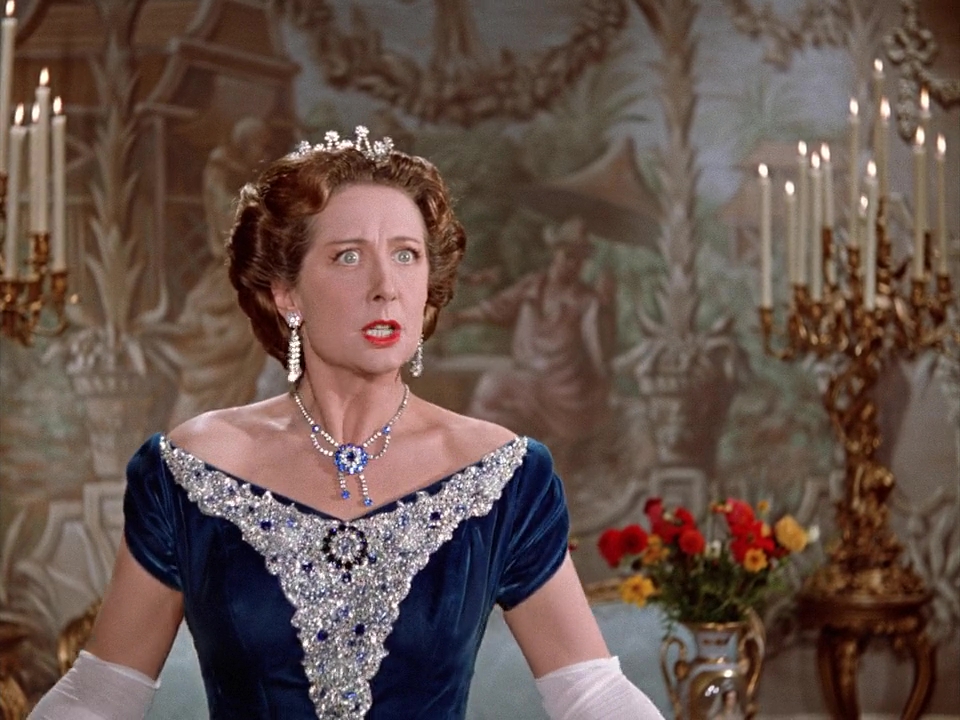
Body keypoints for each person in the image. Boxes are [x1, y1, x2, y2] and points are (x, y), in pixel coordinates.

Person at [29, 127, 663, 719]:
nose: (386, 286)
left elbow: (591, 692)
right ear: (287, 293)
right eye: (349, 257)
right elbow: (99, 695)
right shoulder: (190, 469)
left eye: (407, 255)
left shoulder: (505, 475)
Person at [451, 216, 616, 446]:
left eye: (579, 260)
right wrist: (457, 318)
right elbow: (495, 308)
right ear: (555, 253)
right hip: (529, 383)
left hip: (564, 393)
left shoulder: (587, 301)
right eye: (568, 256)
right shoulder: (533, 285)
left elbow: (600, 351)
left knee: (491, 387)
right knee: (489, 413)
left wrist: (605, 307)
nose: (573, 264)